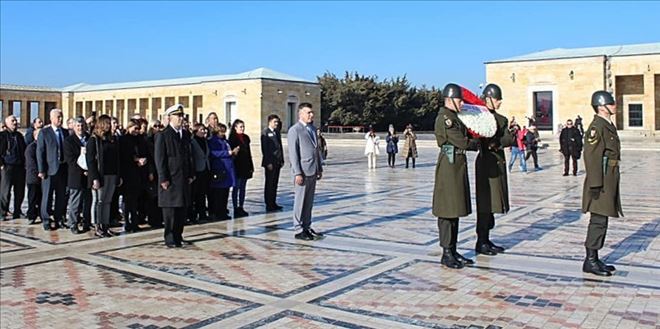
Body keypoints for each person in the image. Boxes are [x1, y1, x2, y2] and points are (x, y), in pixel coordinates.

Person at [433, 83, 479, 269]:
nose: (462, 103)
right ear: (450, 100)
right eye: (459, 100)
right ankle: (446, 252)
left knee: (455, 209)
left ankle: (453, 249)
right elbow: (460, 141)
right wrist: (477, 142)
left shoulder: (456, 117)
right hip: (449, 166)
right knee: (447, 210)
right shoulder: (445, 118)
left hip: (457, 165)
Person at [581, 91, 622, 277]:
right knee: (598, 219)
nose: (614, 106)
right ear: (601, 106)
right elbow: (591, 156)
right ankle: (590, 260)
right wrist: (596, 184)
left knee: (602, 219)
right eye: (611, 103)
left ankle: (595, 258)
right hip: (601, 179)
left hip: (608, 177)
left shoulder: (607, 125)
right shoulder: (597, 127)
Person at [474, 84, 515, 256]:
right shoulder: (477, 116)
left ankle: (487, 238)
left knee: (494, 202)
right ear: (489, 98)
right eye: (497, 99)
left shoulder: (501, 119)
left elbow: (507, 138)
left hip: (497, 162)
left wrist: (497, 141)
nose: (499, 102)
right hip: (485, 163)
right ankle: (481, 240)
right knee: (485, 203)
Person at [155, 104, 195, 248]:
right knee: (170, 211)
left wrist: (191, 173)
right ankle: (170, 237)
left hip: (183, 177)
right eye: (178, 116)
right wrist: (163, 178)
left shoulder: (184, 135)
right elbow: (160, 159)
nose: (181, 118)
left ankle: (178, 235)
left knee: (181, 209)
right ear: (170, 117)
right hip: (170, 178)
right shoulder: (163, 135)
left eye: (182, 116)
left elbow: (188, 156)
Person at [288, 103, 324, 241]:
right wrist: (297, 172)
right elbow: (293, 154)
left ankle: (307, 226)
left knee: (309, 201)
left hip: (312, 169)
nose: (311, 115)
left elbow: (317, 150)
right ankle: (298, 229)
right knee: (300, 200)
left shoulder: (313, 129)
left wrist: (319, 167)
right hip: (302, 171)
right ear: (300, 114)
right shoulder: (294, 130)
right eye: (308, 112)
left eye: (312, 112)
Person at [86, 115, 121, 238]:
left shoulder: (112, 139)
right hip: (100, 175)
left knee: (107, 201)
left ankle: (106, 225)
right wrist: (94, 178)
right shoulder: (94, 140)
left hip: (111, 174)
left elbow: (117, 158)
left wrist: (118, 175)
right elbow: (90, 161)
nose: (110, 126)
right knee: (98, 201)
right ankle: (97, 225)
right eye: (108, 123)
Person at [37, 109, 69, 230]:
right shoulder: (44, 133)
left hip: (62, 169)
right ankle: (45, 219)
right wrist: (41, 170)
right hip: (50, 170)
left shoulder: (66, 132)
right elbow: (40, 152)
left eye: (61, 117)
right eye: (58, 117)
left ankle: (59, 218)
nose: (60, 119)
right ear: (51, 118)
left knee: (61, 196)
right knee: (47, 195)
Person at [119, 118, 150, 232]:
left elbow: (144, 152)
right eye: (135, 128)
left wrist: (143, 160)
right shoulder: (123, 139)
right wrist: (136, 159)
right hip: (127, 173)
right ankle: (127, 222)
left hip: (138, 173)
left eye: (138, 128)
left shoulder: (140, 139)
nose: (137, 131)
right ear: (129, 127)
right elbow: (124, 156)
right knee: (127, 200)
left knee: (135, 199)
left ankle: (134, 222)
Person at [63, 116, 91, 234]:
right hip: (76, 175)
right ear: (74, 127)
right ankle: (73, 223)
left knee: (87, 201)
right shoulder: (69, 141)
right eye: (78, 126)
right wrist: (82, 170)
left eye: (82, 125)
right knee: (75, 201)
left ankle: (86, 222)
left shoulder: (89, 138)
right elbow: (70, 160)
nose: (80, 128)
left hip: (89, 175)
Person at [208, 123, 238, 221]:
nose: (223, 133)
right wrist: (227, 153)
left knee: (225, 193)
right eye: (221, 131)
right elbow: (213, 153)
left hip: (228, 169)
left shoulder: (225, 140)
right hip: (219, 169)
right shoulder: (212, 141)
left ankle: (223, 212)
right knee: (218, 194)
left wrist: (233, 152)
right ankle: (217, 213)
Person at [0, 115, 27, 220]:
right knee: (5, 191)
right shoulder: (2, 135)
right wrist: (1, 164)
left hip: (19, 167)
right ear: (6, 123)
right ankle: (2, 212)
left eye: (15, 120)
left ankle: (17, 211)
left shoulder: (19, 136)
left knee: (20, 191)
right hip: (7, 167)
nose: (15, 122)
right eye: (12, 121)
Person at [228, 119, 254, 218]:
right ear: (235, 128)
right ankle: (235, 207)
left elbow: (249, 153)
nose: (242, 128)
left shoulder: (246, 138)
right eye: (240, 127)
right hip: (237, 166)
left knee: (243, 188)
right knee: (236, 187)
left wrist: (251, 166)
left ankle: (241, 206)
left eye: (243, 126)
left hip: (245, 165)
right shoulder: (232, 139)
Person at [261, 114, 285, 212]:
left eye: (277, 122)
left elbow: (280, 147)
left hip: (277, 162)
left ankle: (273, 202)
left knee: (275, 183)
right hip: (270, 162)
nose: (276, 124)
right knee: (269, 183)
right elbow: (265, 149)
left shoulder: (277, 132)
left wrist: (282, 159)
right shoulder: (265, 133)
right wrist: (268, 162)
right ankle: (268, 203)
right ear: (270, 122)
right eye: (275, 122)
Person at [190, 123, 210, 222]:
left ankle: (202, 214)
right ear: (196, 131)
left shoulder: (205, 141)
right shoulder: (192, 142)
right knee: (196, 194)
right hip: (197, 170)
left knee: (202, 193)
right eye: (201, 130)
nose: (203, 131)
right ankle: (194, 215)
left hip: (205, 169)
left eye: (204, 130)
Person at [25, 128, 42, 225]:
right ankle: (31, 215)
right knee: (33, 198)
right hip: (33, 177)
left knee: (40, 197)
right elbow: (31, 164)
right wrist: (39, 172)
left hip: (41, 177)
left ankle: (40, 213)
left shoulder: (42, 146)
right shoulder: (31, 148)